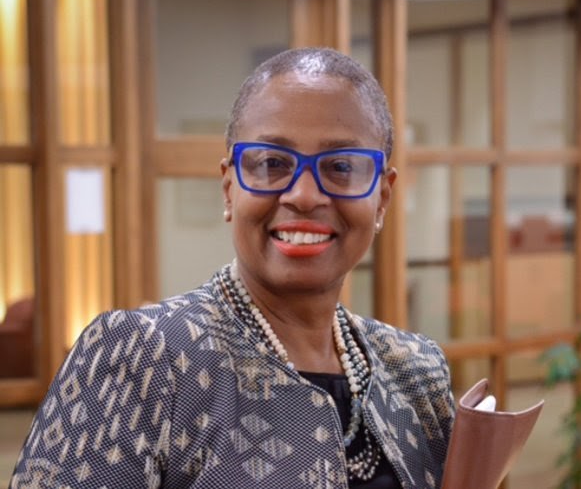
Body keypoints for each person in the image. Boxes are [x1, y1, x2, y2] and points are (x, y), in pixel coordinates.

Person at [10, 47, 454, 488]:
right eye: (272, 164)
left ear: (382, 198)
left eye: (341, 167)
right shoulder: (142, 358)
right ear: (229, 189)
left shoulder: (415, 372)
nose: (303, 194)